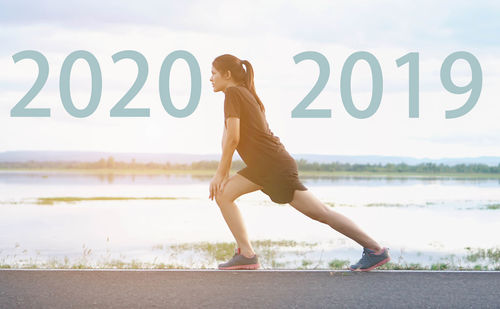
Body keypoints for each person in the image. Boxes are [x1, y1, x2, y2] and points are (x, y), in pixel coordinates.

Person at [208, 54, 390, 271]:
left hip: (272, 166)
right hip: (265, 166)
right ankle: (246, 254)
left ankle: (375, 250)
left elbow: (233, 139)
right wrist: (223, 170)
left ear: (227, 74)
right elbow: (228, 138)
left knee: (321, 213)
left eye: (213, 73)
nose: (210, 79)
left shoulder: (234, 93)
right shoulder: (242, 94)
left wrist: (221, 173)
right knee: (224, 195)